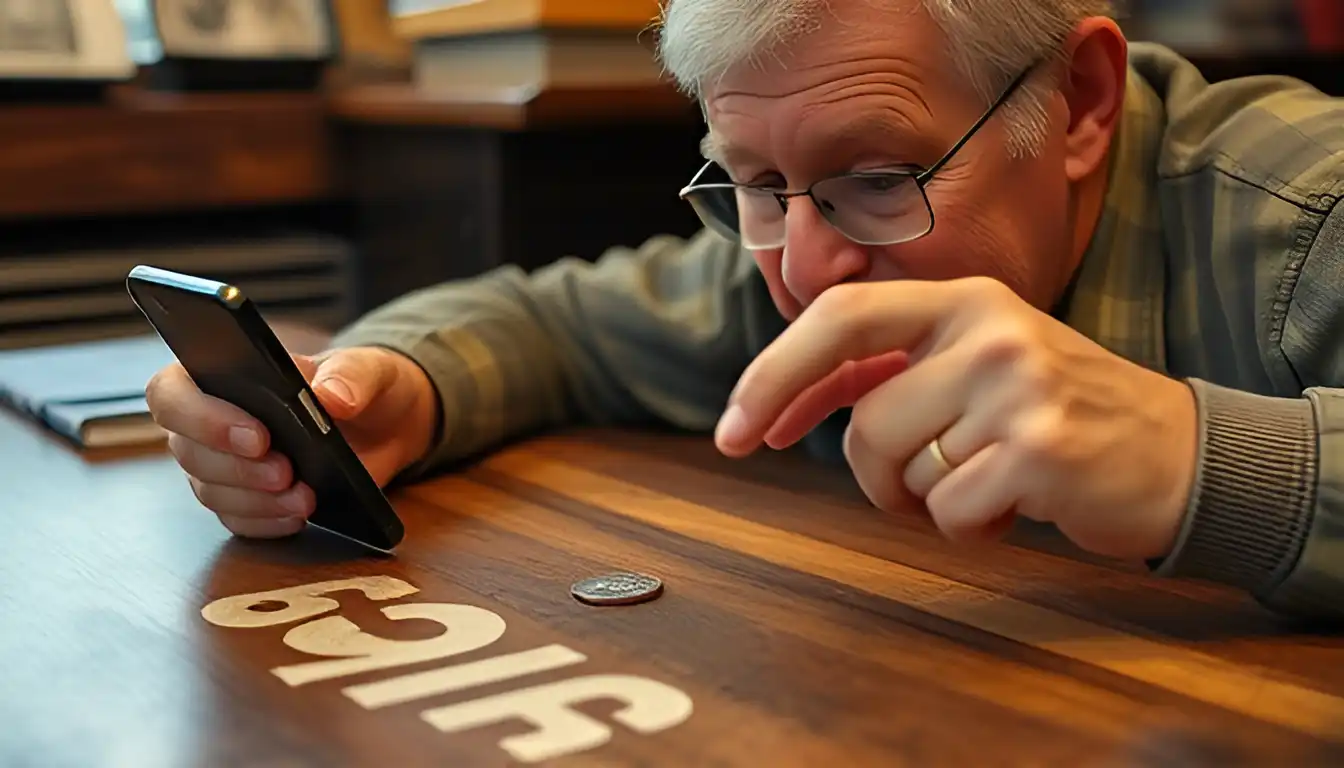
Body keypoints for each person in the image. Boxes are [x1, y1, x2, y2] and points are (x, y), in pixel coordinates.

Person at [144, 0, 1344, 621]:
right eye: (756, 184)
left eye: (882, 178)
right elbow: (552, 322)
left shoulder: (1312, 217)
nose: (806, 270)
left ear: (1080, 102)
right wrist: (390, 387)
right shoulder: (785, 258)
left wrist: (1211, 466)